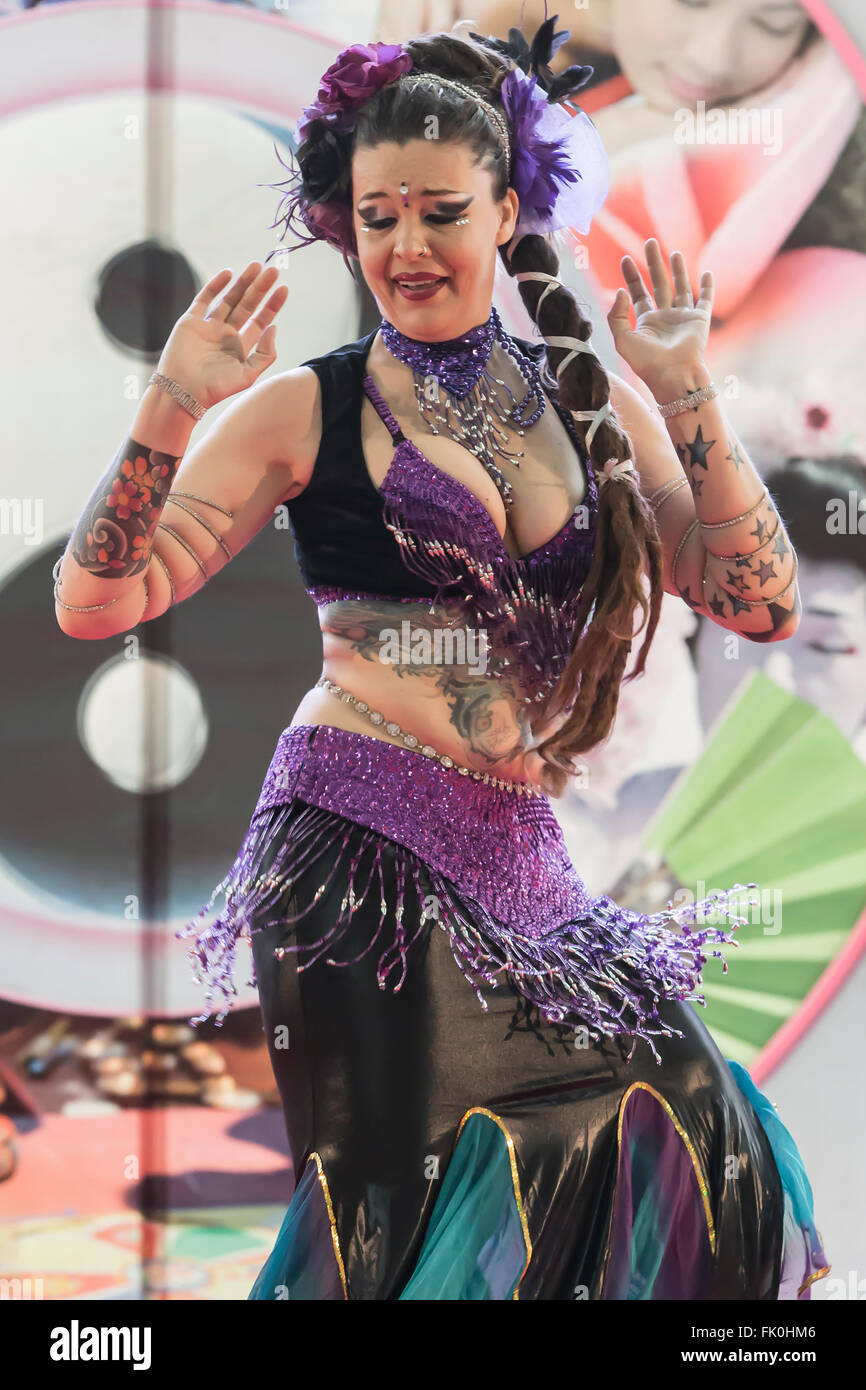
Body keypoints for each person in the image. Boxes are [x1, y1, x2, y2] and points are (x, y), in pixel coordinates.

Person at [54, 23, 829, 1300]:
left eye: (438, 212)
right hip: (355, 857)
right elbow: (99, 597)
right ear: (344, 226)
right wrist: (171, 404)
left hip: (521, 858)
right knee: (416, 1216)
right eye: (376, 217)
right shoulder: (304, 406)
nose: (404, 246)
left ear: (507, 209)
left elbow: (756, 605)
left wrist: (687, 392)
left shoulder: (588, 400)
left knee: (694, 1128)